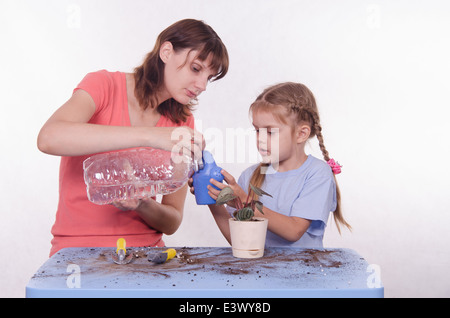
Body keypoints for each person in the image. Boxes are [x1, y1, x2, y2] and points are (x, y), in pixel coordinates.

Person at [37, 19, 229, 256]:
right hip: (77, 251)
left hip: (145, 254)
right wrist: (150, 136)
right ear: (166, 52)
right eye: (196, 68)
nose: (202, 85)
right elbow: (49, 138)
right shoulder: (104, 85)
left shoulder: (181, 120)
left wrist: (142, 204)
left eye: (209, 77)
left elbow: (171, 222)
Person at [190, 82, 350, 248]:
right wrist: (211, 198)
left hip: (304, 273)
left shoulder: (317, 173)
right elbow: (239, 241)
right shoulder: (250, 176)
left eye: (270, 131)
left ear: (301, 134)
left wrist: (245, 202)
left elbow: (294, 231)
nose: (260, 138)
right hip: (261, 272)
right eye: (257, 130)